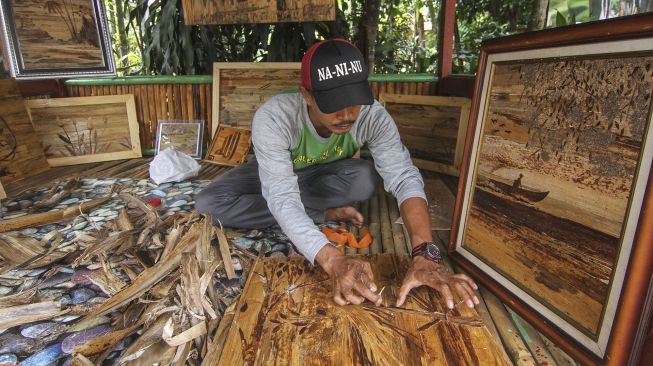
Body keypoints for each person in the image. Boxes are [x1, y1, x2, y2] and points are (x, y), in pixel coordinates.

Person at [196, 38, 479, 309]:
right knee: (209, 204)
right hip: (277, 171)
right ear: (306, 95)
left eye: (354, 100)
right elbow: (282, 194)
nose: (346, 115)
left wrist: (425, 253)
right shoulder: (274, 118)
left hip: (328, 173)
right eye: (333, 104)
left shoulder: (372, 116)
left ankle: (309, 210)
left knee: (365, 179)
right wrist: (332, 260)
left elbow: (403, 176)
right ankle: (324, 213)